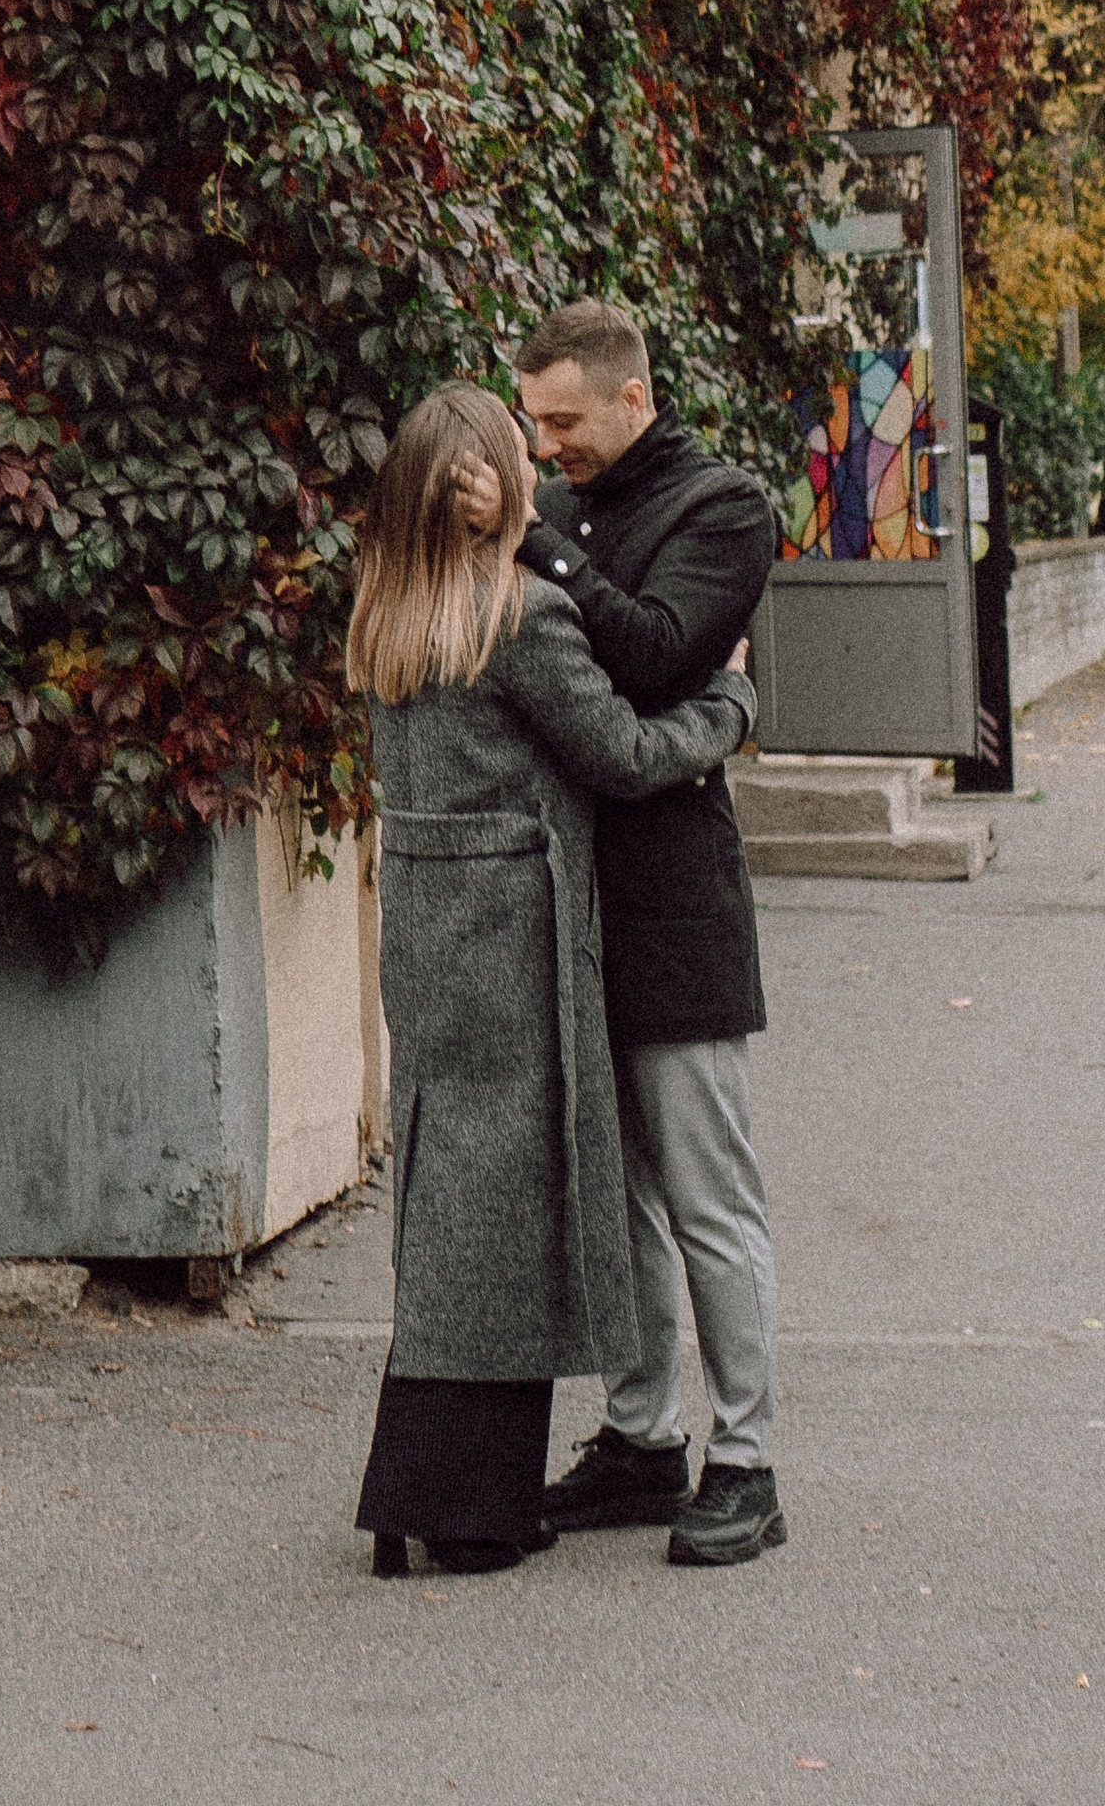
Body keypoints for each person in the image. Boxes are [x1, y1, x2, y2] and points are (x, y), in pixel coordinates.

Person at [348, 381, 756, 1579]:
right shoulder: (517, 613)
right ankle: (468, 1505)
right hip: (520, 931)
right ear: (486, 491)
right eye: (520, 453)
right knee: (508, 1204)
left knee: (445, 1192)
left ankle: (420, 1487)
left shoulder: (387, 609)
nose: (539, 462)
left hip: (428, 929)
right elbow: (625, 756)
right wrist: (728, 705)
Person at [516, 297, 787, 1568]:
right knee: (614, 1198)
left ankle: (748, 1460)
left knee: (706, 1199)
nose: (544, 446)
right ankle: (640, 1440)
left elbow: (658, 660)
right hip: (569, 903)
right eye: (532, 425)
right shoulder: (560, 507)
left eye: (562, 423)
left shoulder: (726, 508)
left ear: (633, 399)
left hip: (677, 903)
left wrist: (540, 551)